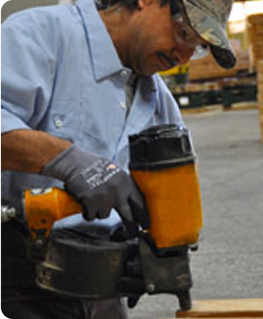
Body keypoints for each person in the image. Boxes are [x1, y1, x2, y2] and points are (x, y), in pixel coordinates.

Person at [0, 0, 236, 317]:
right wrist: (66, 160)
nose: (183, 56)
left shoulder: (157, 102)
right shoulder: (41, 35)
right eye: (183, 33)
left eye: (198, 48)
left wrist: (142, 253)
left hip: (98, 292)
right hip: (16, 286)